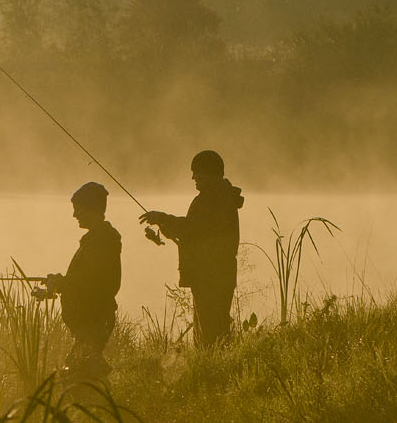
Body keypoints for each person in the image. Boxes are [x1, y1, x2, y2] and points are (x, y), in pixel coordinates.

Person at [139, 150, 244, 347]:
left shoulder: (214, 199)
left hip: (211, 276)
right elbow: (196, 233)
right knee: (212, 333)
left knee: (210, 338)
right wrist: (166, 226)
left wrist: (162, 218)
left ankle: (212, 372)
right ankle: (212, 369)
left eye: (197, 172)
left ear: (209, 174)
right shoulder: (218, 196)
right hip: (214, 274)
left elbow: (191, 227)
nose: (193, 177)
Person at [35, 181, 122, 379]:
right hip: (92, 320)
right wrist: (57, 283)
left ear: (91, 209)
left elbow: (91, 284)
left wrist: (61, 284)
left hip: (94, 320)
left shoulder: (101, 242)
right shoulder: (97, 240)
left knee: (78, 375)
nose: (74, 215)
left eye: (78, 210)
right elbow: (84, 280)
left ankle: (101, 403)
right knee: (79, 370)